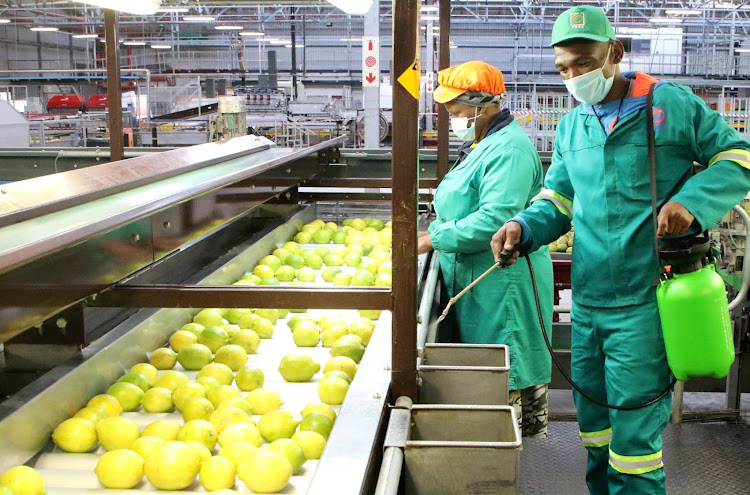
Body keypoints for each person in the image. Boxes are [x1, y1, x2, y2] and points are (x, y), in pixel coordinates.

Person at [491, 6, 750, 494]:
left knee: (633, 447)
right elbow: (558, 200)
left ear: (615, 52)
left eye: (584, 62)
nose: (573, 76)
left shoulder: (668, 103)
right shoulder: (572, 127)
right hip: (588, 304)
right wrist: (522, 226)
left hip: (646, 301)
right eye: (564, 68)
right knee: (595, 435)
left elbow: (738, 156)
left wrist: (690, 201)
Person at [419, 61, 554, 437]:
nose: (452, 119)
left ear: (482, 104)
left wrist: (433, 238)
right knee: (486, 368)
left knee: (502, 369)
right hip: (477, 274)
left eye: (456, 111)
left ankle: (497, 458)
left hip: (502, 279)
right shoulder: (483, 142)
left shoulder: (508, 149)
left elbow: (496, 217)